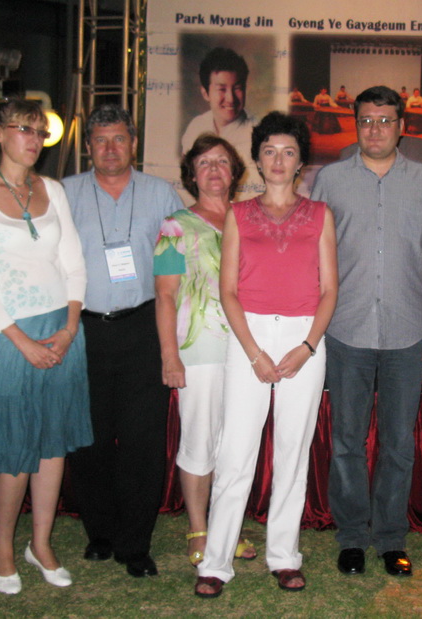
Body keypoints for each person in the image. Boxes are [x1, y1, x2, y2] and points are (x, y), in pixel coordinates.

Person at [311, 85, 422, 577]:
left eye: (385, 120)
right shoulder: (328, 181)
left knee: (398, 442)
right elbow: (314, 258)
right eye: (367, 120)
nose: (375, 129)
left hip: (408, 334)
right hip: (346, 330)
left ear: (402, 126)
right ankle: (351, 537)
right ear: (356, 123)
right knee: (348, 441)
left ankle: (390, 537)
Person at [194, 112, 338, 598]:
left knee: (293, 453)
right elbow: (228, 290)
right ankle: (216, 561)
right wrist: (254, 352)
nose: (279, 160)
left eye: (289, 152)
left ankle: (284, 556)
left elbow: (330, 290)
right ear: (256, 160)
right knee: (235, 451)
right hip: (249, 337)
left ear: (301, 162)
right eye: (270, 151)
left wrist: (307, 346)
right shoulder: (238, 214)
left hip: (304, 339)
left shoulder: (320, 215)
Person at [0, 98, 91, 595]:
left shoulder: (52, 189)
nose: (33, 139)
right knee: (16, 446)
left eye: (39, 131)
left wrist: (71, 326)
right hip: (11, 335)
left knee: (53, 444)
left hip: (61, 329)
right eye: (23, 129)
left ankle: (41, 542)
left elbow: (73, 263)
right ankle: (3, 547)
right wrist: (21, 341)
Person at [63, 104, 182, 578]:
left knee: (142, 440)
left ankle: (135, 544)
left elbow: (176, 261)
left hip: (141, 327)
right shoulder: (64, 193)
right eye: (100, 140)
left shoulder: (160, 193)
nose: (110, 148)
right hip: (83, 328)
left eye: (119, 139)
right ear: (87, 145)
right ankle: (100, 533)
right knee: (88, 439)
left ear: (134, 144)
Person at [153, 134, 256, 566]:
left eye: (222, 162)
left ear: (235, 173)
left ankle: (228, 526)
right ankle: (199, 529)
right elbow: (164, 296)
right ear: (191, 175)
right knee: (200, 441)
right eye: (204, 163)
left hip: (249, 349)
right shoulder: (173, 226)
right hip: (200, 350)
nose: (214, 170)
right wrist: (169, 355)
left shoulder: (251, 220)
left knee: (236, 444)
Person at [180, 47, 260, 199]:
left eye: (237, 88)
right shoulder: (195, 127)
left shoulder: (259, 133)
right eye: (221, 89)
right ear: (205, 93)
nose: (230, 98)